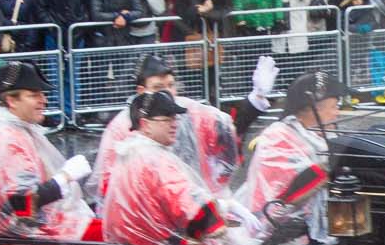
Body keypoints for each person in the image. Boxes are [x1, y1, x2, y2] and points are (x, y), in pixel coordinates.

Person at [93, 52, 277, 199]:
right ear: (141, 91)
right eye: (158, 87)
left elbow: (227, 132)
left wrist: (256, 99)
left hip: (200, 206)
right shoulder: (121, 127)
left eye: (171, 85)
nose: (167, 92)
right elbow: (110, 184)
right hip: (151, 210)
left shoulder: (190, 111)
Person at [102, 89, 241, 245]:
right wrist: (218, 217)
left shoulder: (129, 152)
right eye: (167, 119)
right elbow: (186, 203)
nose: (174, 124)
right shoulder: (153, 159)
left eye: (175, 118)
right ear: (145, 124)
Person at [0, 63, 94, 245]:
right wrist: (66, 176)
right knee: (117, 240)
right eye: (34, 95)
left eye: (42, 94)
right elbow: (21, 205)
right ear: (11, 101)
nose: (44, 101)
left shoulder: (11, 130)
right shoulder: (7, 139)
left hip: (13, 239)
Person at [240, 69, 340, 245]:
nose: (337, 114)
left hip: (313, 227)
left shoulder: (323, 136)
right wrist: (333, 166)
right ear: (312, 109)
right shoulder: (277, 136)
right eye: (333, 107)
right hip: (276, 235)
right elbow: (290, 190)